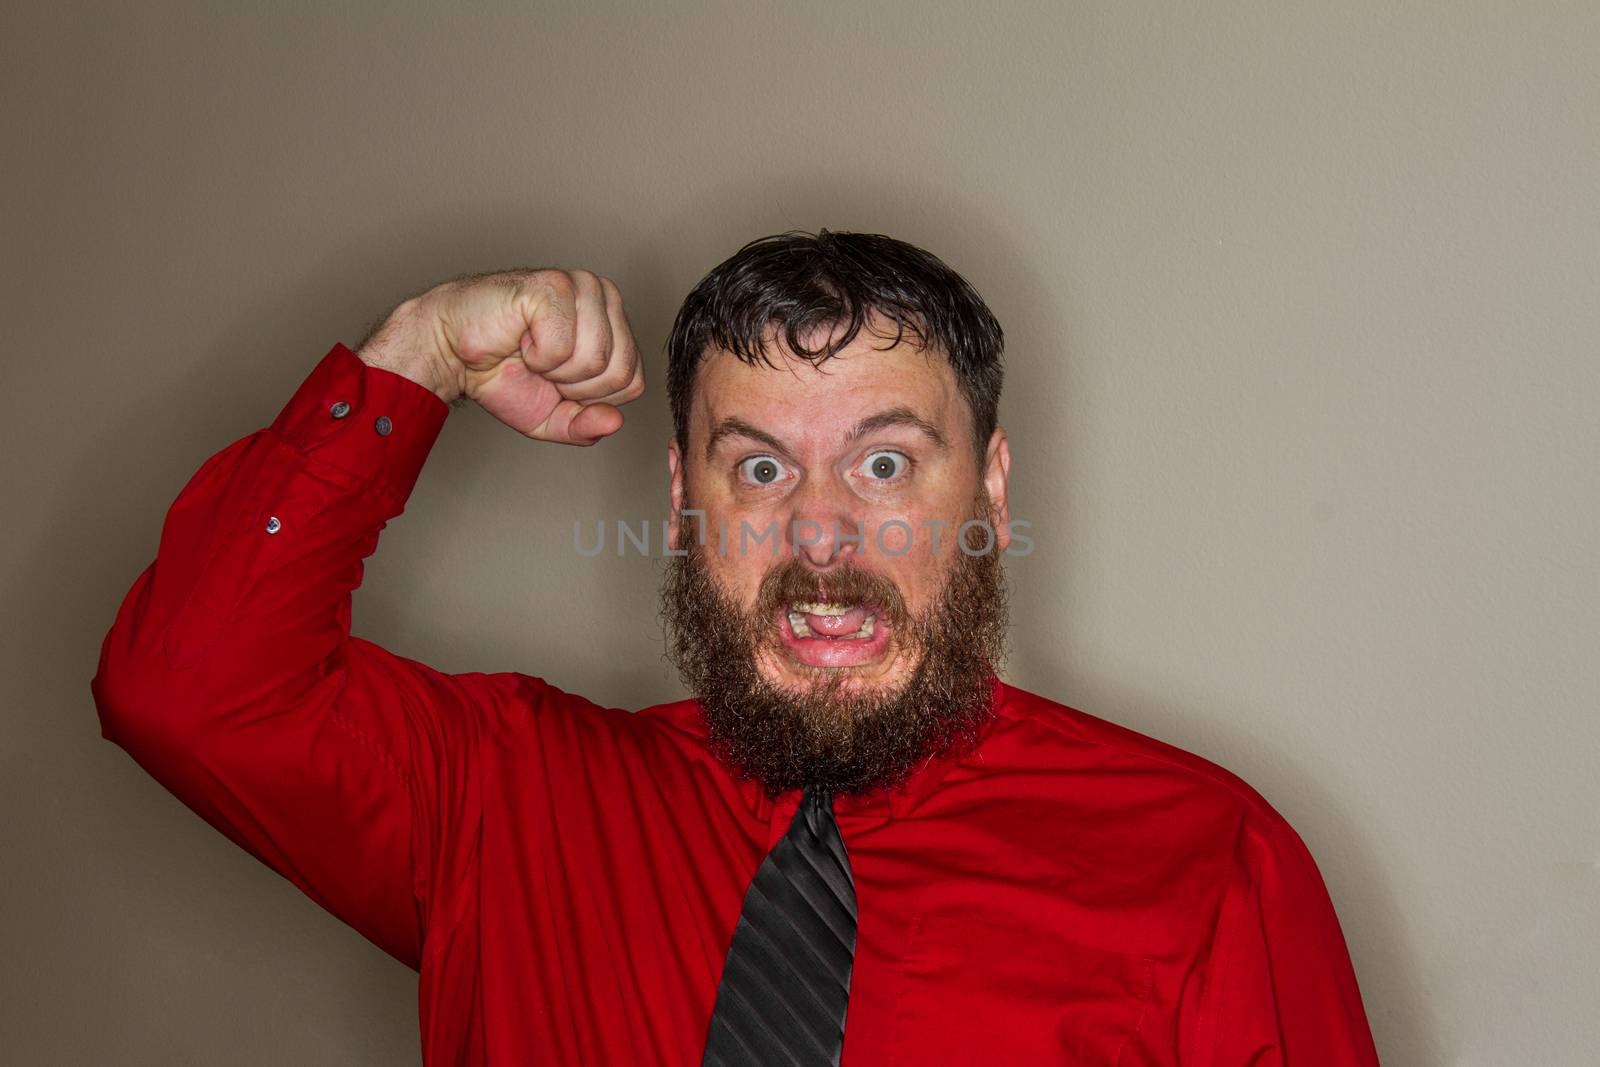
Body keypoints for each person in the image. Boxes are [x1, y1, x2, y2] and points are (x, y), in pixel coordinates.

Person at [91, 231, 1381, 1065]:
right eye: (757, 466)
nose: (821, 533)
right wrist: (416, 354)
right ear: (682, 503)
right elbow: (188, 688)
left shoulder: (1210, 865)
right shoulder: (502, 802)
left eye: (886, 461)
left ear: (988, 492)